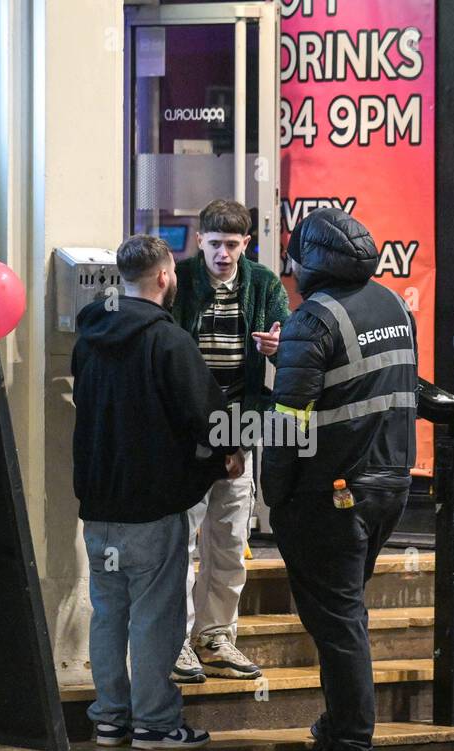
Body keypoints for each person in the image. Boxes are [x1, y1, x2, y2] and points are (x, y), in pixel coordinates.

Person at [72, 234, 245, 750]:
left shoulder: (89, 336)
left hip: (98, 504)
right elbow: (206, 414)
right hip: (151, 503)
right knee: (154, 616)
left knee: (108, 614)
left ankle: (109, 718)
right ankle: (155, 723)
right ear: (165, 276)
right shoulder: (168, 341)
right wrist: (227, 455)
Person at [265, 208, 418, 751]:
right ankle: (339, 731)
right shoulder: (393, 305)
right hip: (388, 486)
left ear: (313, 262)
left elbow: (288, 418)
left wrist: (273, 490)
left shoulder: (314, 318)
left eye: (296, 257)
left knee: (337, 622)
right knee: (345, 613)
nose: (291, 267)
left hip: (328, 493)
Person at [167, 199, 291, 683]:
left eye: (232, 245)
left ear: (245, 245)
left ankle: (216, 636)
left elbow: (293, 344)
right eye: (215, 243)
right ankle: (176, 640)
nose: (223, 253)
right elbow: (167, 352)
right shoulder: (180, 281)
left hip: (240, 427)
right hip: (188, 430)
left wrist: (279, 347)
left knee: (230, 538)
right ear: (201, 241)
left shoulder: (262, 283)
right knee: (181, 540)